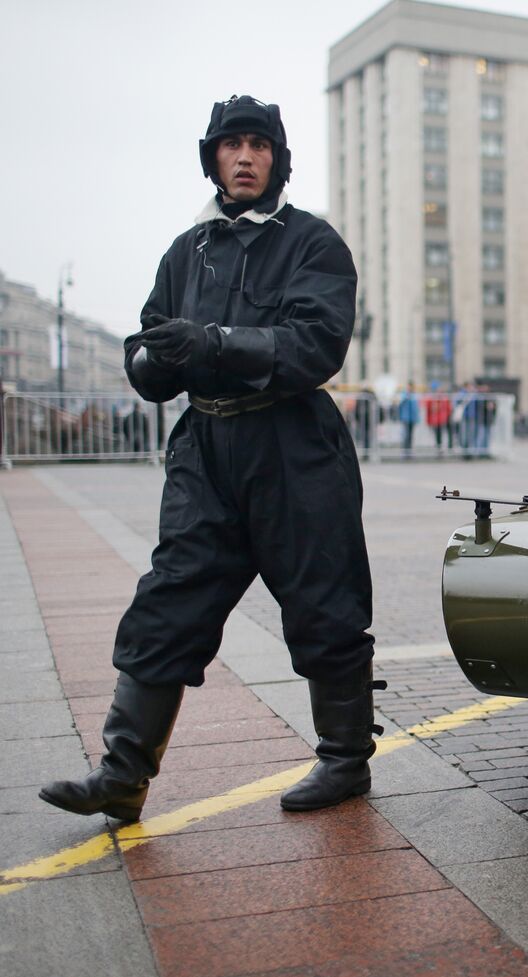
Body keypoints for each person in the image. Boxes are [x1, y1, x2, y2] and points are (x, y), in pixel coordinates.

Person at [39, 95, 380, 821]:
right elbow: (146, 338)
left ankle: (345, 760)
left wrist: (217, 344)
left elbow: (316, 345)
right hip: (206, 448)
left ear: (278, 159)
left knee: (326, 602)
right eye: (233, 145)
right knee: (168, 603)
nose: (246, 156)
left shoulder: (313, 243)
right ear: (214, 158)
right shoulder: (185, 251)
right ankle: (122, 775)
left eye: (260, 145)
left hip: (293, 446)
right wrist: (149, 367)